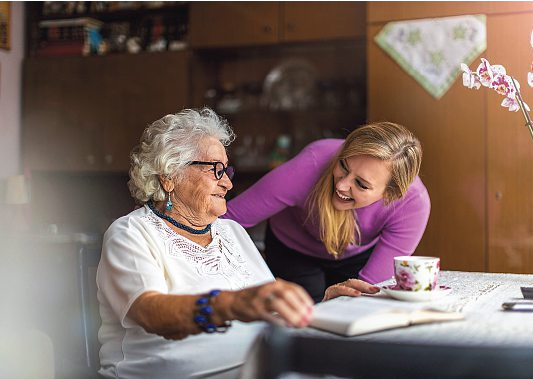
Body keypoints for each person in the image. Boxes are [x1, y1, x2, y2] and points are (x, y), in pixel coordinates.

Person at [96, 108, 379, 379]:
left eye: (226, 172)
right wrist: (230, 304)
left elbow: (266, 309)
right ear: (169, 177)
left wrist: (322, 306)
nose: (228, 184)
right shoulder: (132, 233)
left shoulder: (231, 231)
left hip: (261, 368)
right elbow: (150, 312)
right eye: (215, 170)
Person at [223, 122, 430, 303]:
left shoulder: (413, 204)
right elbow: (226, 219)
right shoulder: (311, 164)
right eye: (343, 165)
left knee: (356, 311)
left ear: (391, 194)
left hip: (358, 255)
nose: (341, 185)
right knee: (301, 320)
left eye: (361, 184)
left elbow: (369, 291)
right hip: (293, 249)